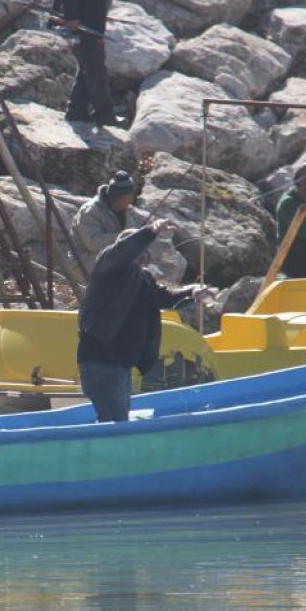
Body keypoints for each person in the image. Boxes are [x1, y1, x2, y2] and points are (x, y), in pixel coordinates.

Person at [77, 220, 210, 422]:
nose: (142, 256)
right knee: (114, 421)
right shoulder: (108, 267)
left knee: (117, 419)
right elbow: (124, 251)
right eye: (138, 251)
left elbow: (166, 298)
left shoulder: (143, 279)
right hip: (101, 363)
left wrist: (192, 294)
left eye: (145, 253)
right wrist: (151, 231)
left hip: (121, 365)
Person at [53, 0, 120, 127]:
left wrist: (101, 11)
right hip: (82, 22)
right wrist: (71, 17)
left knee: (87, 66)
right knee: (96, 67)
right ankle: (104, 114)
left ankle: (77, 110)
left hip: (93, 18)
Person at [73, 170, 185, 281]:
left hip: (112, 257)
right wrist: (127, 237)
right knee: (130, 269)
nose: (131, 200)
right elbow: (93, 243)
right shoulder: (90, 211)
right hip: (84, 261)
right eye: (128, 197)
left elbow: (143, 222)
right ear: (117, 197)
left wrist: (157, 227)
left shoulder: (126, 209)